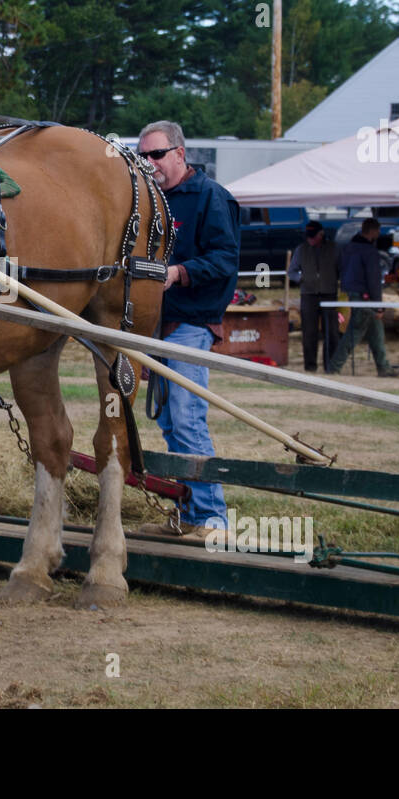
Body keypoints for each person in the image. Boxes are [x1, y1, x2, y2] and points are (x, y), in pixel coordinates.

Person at [139, 121, 240, 533]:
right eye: (142, 156)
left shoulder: (212, 198)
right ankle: (187, 511)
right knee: (169, 423)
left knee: (186, 418)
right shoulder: (148, 198)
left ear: (180, 154)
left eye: (156, 155)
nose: (149, 163)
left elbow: (225, 260)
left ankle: (212, 517)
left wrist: (179, 272)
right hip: (154, 325)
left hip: (191, 322)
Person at [327, 217, 399, 377]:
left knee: (376, 332)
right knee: (355, 331)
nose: (379, 233)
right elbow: (374, 281)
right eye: (378, 230)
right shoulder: (369, 252)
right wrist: (378, 305)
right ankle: (334, 367)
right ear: (372, 231)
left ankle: (384, 367)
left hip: (352, 292)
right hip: (365, 296)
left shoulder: (348, 248)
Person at [288, 220, 340, 372]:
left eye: (313, 236)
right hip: (308, 295)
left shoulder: (334, 249)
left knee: (331, 332)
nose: (310, 239)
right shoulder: (301, 249)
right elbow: (291, 272)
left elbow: (341, 268)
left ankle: (331, 366)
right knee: (309, 333)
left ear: (321, 234)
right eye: (308, 236)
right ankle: (310, 366)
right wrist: (302, 279)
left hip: (329, 294)